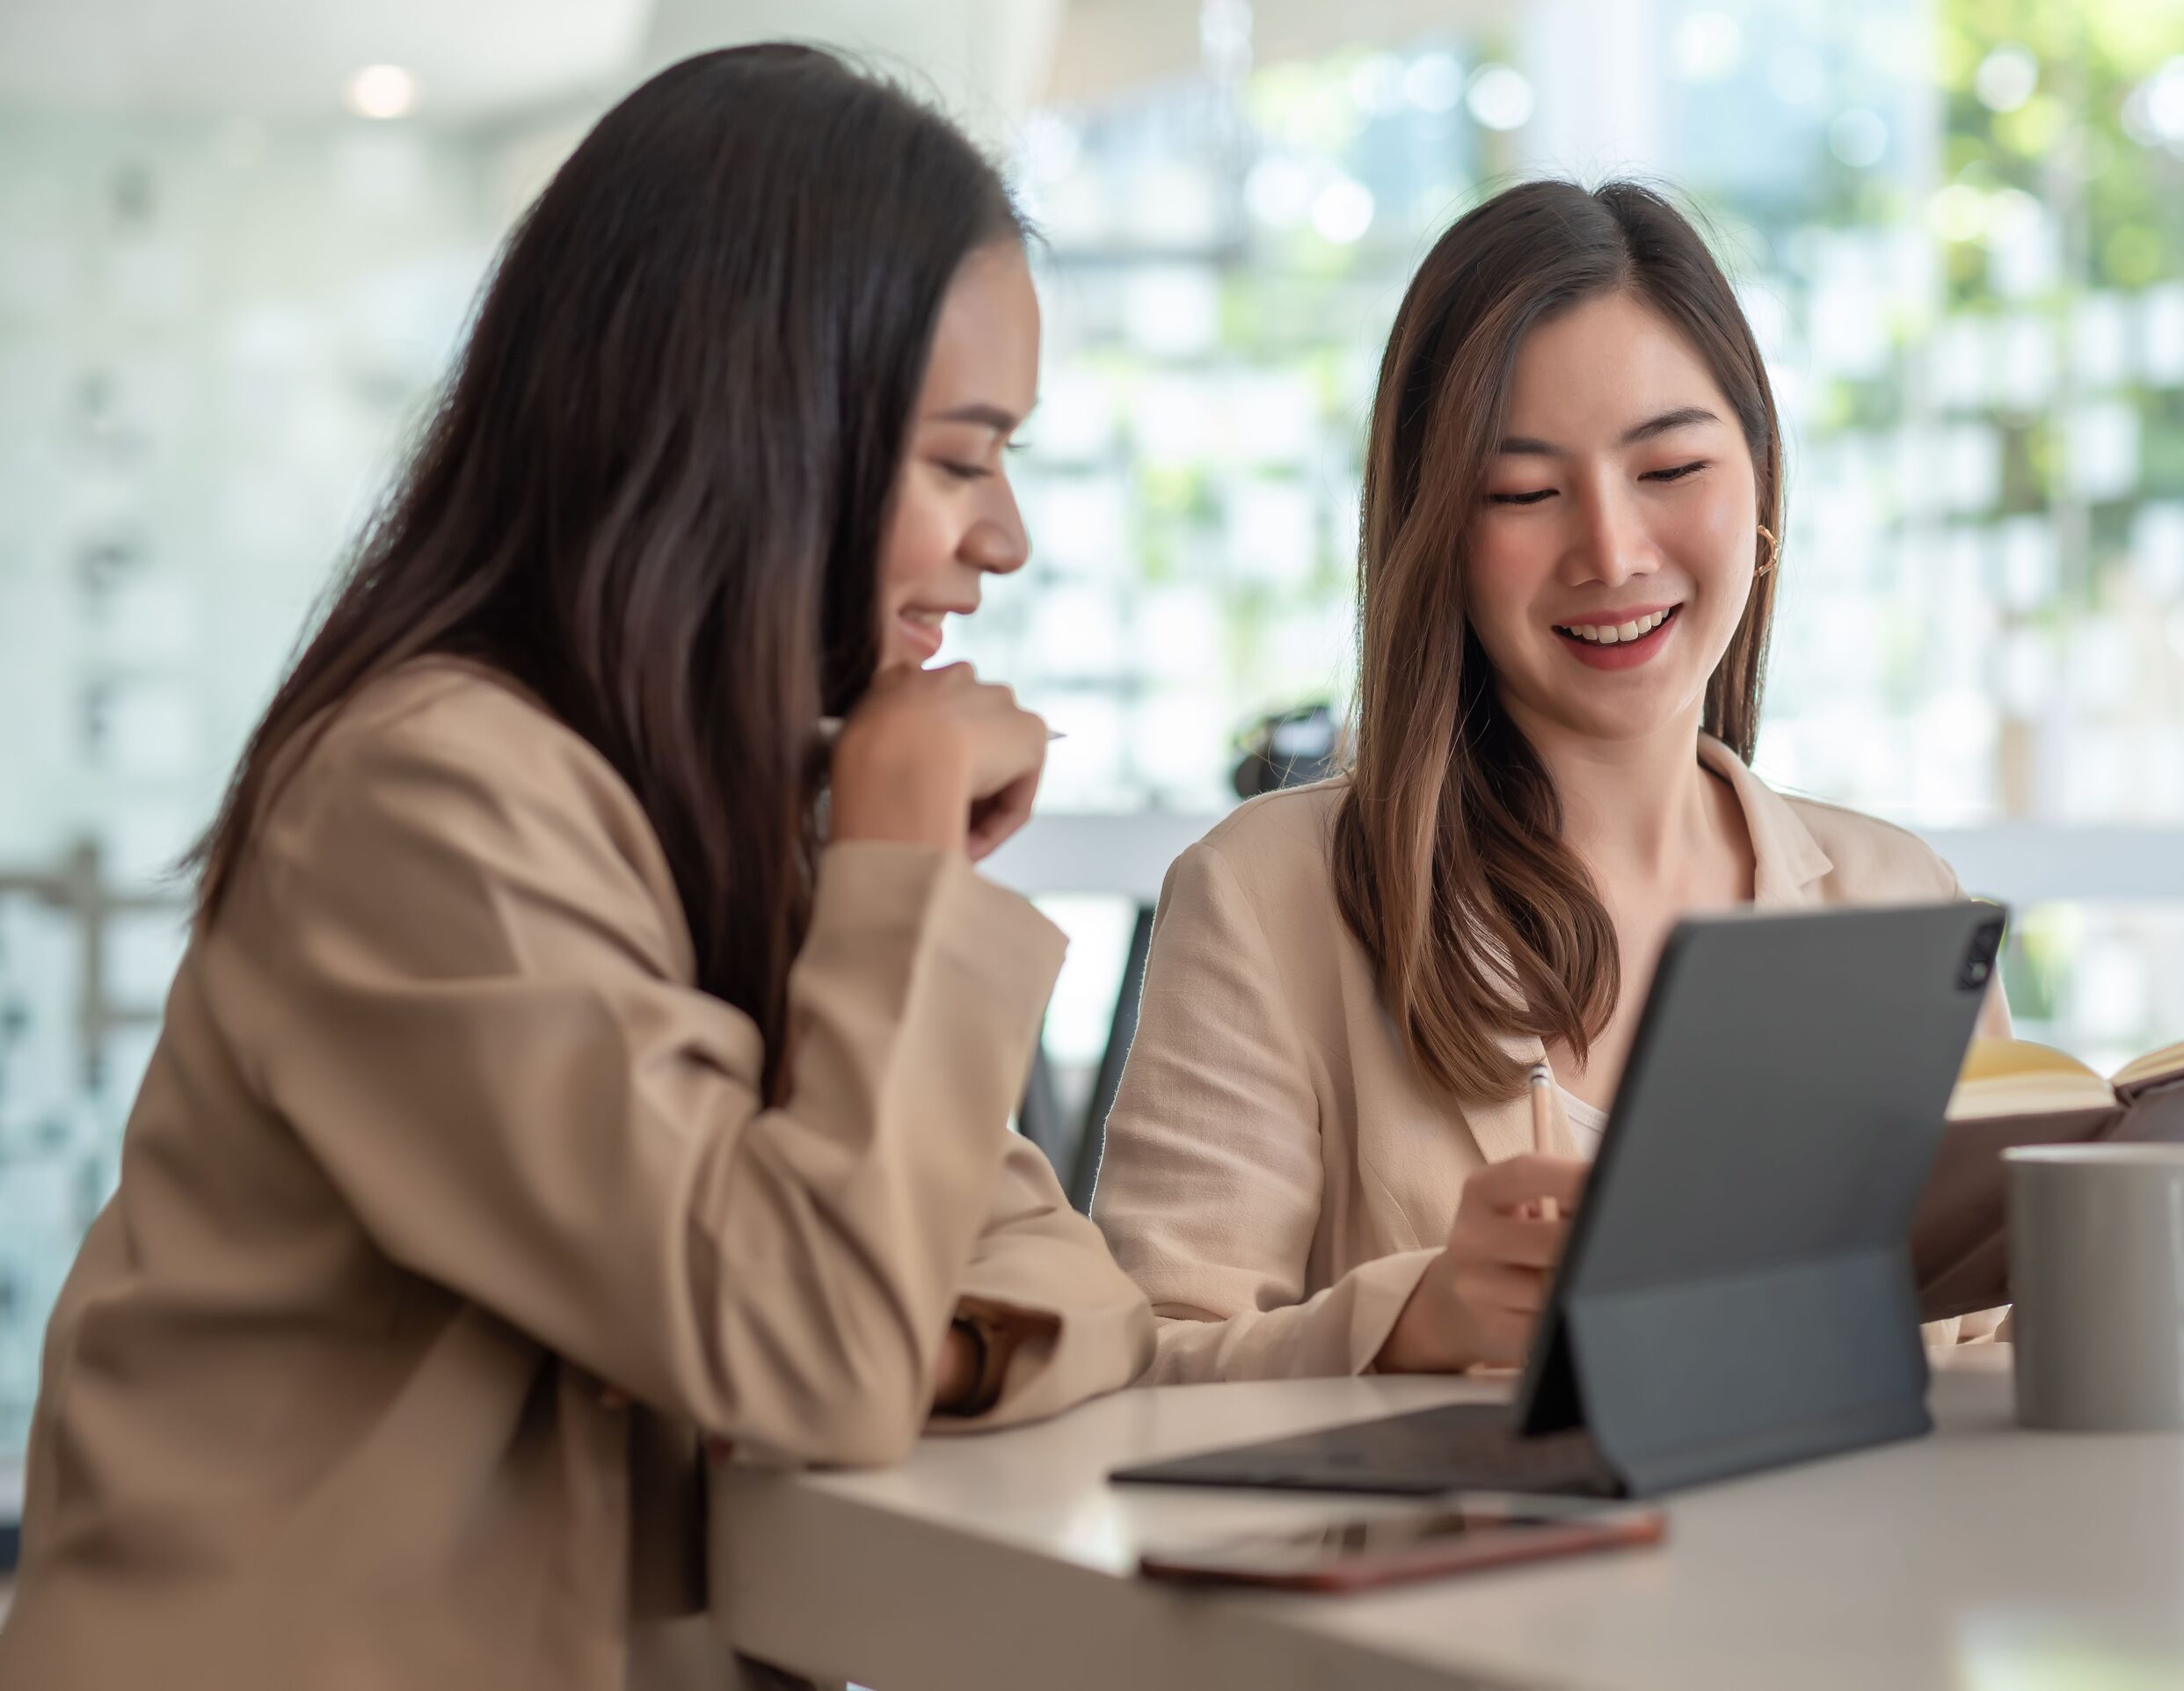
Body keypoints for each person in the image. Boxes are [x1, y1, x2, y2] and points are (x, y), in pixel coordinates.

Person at [0, 46, 1150, 1691]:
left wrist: (915, 1332)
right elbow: (817, 1347)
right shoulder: (425, 802)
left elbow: (1068, 1288)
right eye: (962, 461)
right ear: (766, 427)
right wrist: (899, 857)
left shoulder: (733, 799)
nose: (1005, 539)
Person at [1092, 179, 2017, 1383]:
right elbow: (1137, 1376)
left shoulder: (1903, 899)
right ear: (1436, 539)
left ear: (1762, 492)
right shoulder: (1270, 898)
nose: (1613, 553)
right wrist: (1416, 1321)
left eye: (1671, 468)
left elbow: (1992, 1360)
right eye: (1523, 493)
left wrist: (2129, 1239)